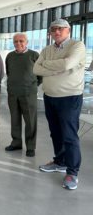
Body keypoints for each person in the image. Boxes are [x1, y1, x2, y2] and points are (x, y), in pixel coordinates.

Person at [33, 19, 85, 190]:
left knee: (69, 136)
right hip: (50, 97)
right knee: (55, 133)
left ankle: (72, 172)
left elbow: (68, 63)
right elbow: (36, 69)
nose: (57, 32)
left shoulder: (77, 46)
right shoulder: (47, 49)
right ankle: (60, 161)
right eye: (53, 29)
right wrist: (58, 68)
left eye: (60, 29)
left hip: (69, 97)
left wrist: (49, 66)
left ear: (68, 30)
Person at [5, 33, 41, 157]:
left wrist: (31, 86)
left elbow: (40, 76)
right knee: (14, 119)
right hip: (13, 93)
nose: (18, 43)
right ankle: (16, 143)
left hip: (28, 93)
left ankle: (30, 147)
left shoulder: (34, 55)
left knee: (30, 121)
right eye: (16, 41)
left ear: (26, 42)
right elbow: (9, 72)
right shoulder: (10, 56)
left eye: (21, 41)